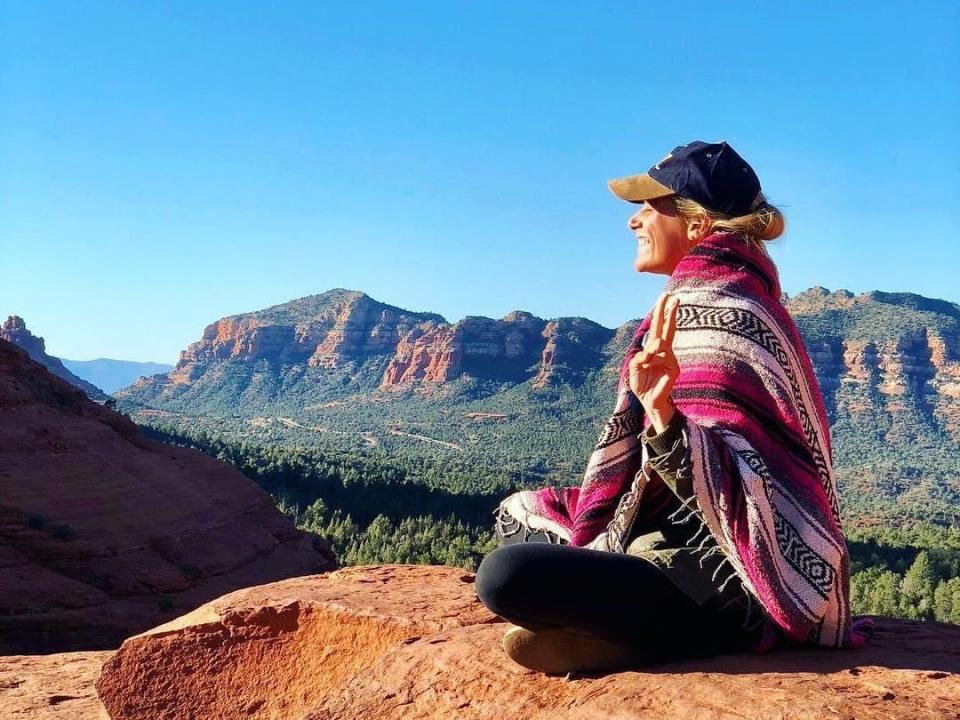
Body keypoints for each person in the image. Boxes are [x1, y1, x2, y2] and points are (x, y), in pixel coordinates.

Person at [473, 140, 871, 675]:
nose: (634, 222)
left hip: (730, 578)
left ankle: (667, 638)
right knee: (519, 511)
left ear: (697, 224)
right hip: (651, 545)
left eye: (649, 206)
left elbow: (760, 493)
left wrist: (663, 417)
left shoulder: (734, 317)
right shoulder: (691, 307)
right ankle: (627, 633)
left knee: (506, 577)